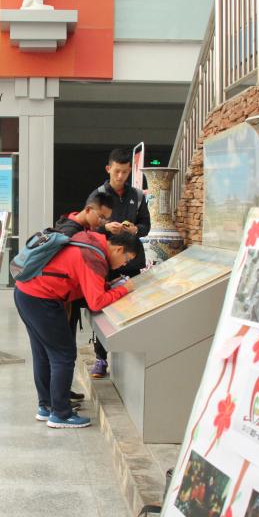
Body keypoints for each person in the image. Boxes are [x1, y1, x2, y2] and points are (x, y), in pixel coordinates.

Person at [14, 230, 141, 428]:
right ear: (118, 249)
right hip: (42, 299)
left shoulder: (89, 241)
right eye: (127, 259)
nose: (124, 265)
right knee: (63, 355)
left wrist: (107, 286)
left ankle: (47, 406)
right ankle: (61, 414)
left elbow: (78, 276)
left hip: (25, 292)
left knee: (43, 353)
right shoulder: (94, 259)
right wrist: (124, 289)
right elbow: (96, 302)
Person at [88, 148, 151, 379]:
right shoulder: (98, 195)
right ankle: (101, 358)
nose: (120, 176)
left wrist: (135, 229)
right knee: (104, 310)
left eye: (125, 172)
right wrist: (106, 228)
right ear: (108, 169)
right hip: (106, 263)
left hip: (132, 262)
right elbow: (88, 226)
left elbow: (146, 226)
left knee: (133, 308)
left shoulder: (137, 195)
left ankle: (130, 355)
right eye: (116, 171)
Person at [51, 192, 115, 402]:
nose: (102, 222)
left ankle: (61, 395)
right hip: (62, 301)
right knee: (63, 353)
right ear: (88, 210)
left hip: (65, 300)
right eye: (101, 217)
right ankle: (59, 400)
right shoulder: (71, 233)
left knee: (64, 351)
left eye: (106, 219)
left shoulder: (73, 225)